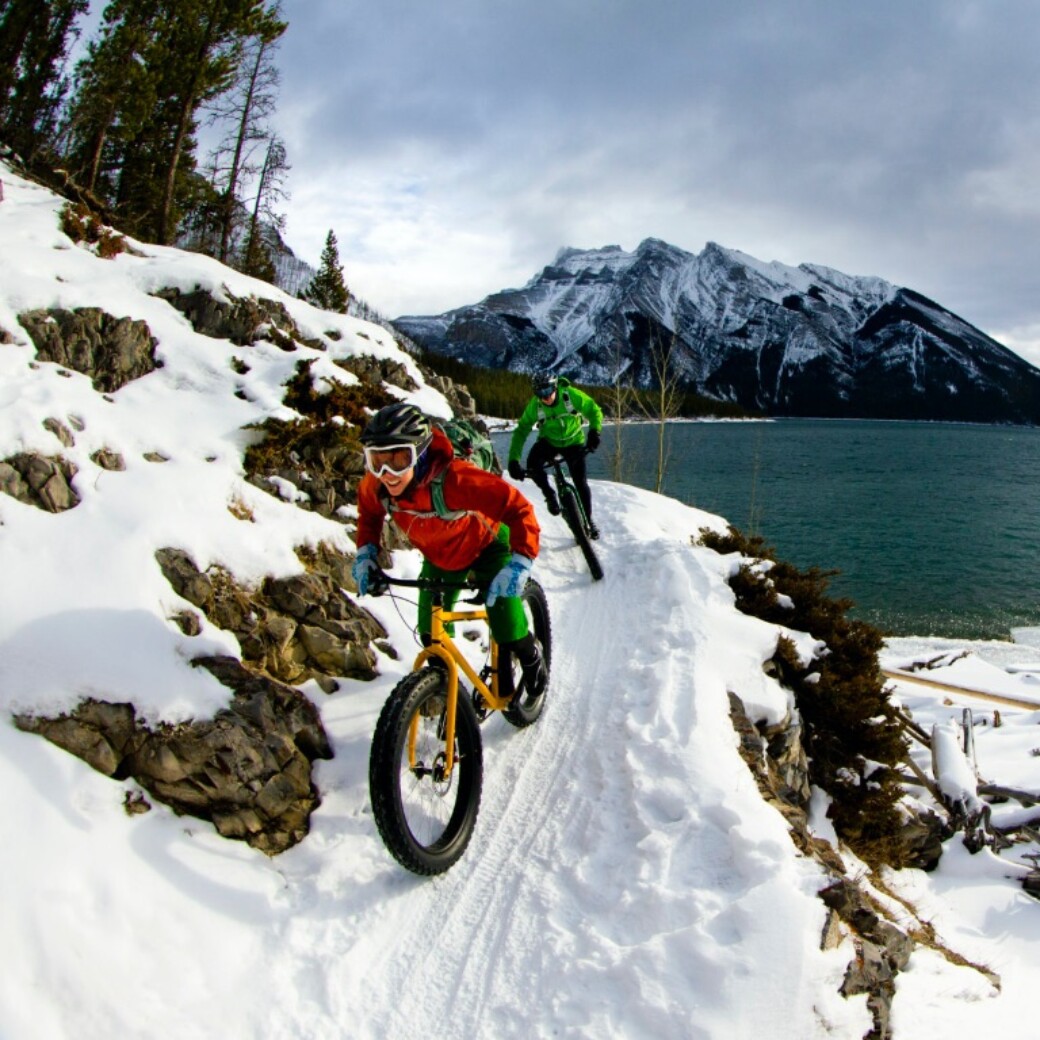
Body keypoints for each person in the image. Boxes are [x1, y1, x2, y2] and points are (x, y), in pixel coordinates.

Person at [352, 402, 547, 697]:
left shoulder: (455, 479)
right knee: (431, 635)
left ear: (419, 454)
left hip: (488, 546)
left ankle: (531, 657)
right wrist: (366, 552)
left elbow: (517, 508)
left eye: (399, 459)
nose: (387, 472)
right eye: (377, 460)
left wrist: (520, 560)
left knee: (507, 624)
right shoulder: (377, 485)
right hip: (440, 557)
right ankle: (445, 694)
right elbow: (369, 513)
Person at [507, 373, 604, 539]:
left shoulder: (571, 396)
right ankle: (549, 494)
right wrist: (513, 460)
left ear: (555, 386)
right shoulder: (535, 406)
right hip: (549, 442)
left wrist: (595, 431)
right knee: (533, 464)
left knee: (580, 482)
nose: (545, 397)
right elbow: (522, 430)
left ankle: (588, 521)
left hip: (573, 441)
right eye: (540, 393)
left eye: (548, 391)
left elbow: (594, 410)